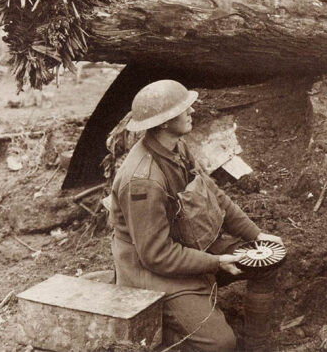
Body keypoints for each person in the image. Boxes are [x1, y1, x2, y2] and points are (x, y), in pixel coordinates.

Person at [109, 79, 282, 352]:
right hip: (150, 271)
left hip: (188, 243)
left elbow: (214, 194)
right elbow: (156, 255)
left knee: (266, 262)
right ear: (164, 122)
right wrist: (215, 262)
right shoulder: (142, 181)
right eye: (184, 109)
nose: (192, 111)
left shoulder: (177, 147)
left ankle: (256, 346)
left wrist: (256, 235)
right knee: (220, 344)